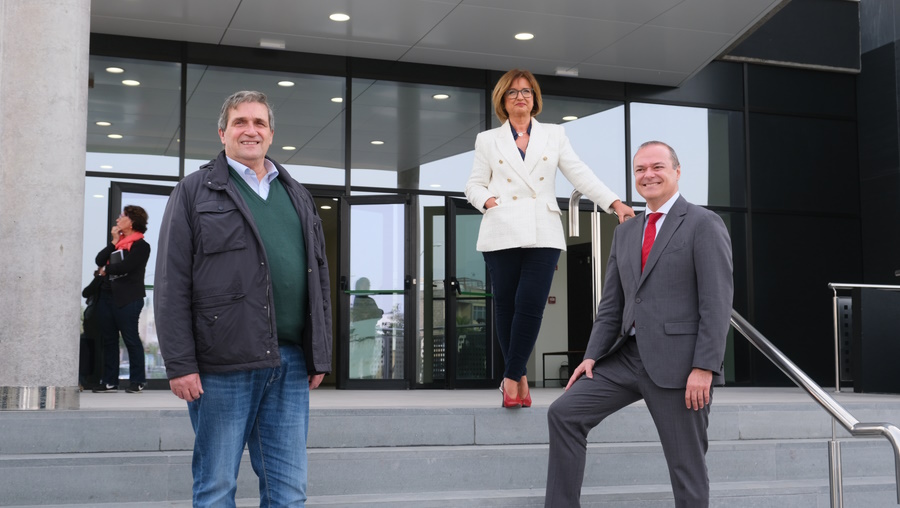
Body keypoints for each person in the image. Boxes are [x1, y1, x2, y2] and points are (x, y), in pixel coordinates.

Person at [154, 90, 333, 507]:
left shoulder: (297, 195)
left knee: (289, 491)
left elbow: (318, 278)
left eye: (258, 123)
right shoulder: (194, 192)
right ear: (222, 133)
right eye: (240, 122)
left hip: (288, 363)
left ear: (271, 135)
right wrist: (180, 364)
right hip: (222, 365)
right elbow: (171, 283)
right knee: (216, 486)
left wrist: (318, 353)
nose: (249, 130)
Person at [544, 141, 733, 507]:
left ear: (677, 172)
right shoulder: (626, 232)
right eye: (640, 170)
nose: (648, 175)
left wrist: (705, 367)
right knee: (564, 414)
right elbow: (612, 304)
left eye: (657, 167)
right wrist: (592, 356)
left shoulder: (703, 223)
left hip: (681, 366)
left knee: (686, 467)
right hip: (625, 359)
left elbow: (717, 301)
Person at [464, 68, 635, 408]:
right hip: (501, 230)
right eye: (512, 92)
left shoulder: (554, 135)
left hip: (543, 230)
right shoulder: (488, 140)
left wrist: (614, 203)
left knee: (530, 304)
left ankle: (510, 378)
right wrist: (487, 201)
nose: (520, 97)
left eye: (526, 91)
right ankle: (518, 379)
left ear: (535, 98)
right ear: (502, 100)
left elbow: (579, 173)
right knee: (507, 307)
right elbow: (473, 183)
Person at [92, 205, 151, 393]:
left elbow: (127, 266)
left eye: (122, 216)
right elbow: (99, 259)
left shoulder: (141, 246)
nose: (118, 220)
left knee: (130, 338)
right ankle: (110, 382)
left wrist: (106, 270)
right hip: (107, 297)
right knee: (109, 340)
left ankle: (137, 381)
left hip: (128, 298)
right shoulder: (118, 243)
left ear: (132, 221)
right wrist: (114, 241)